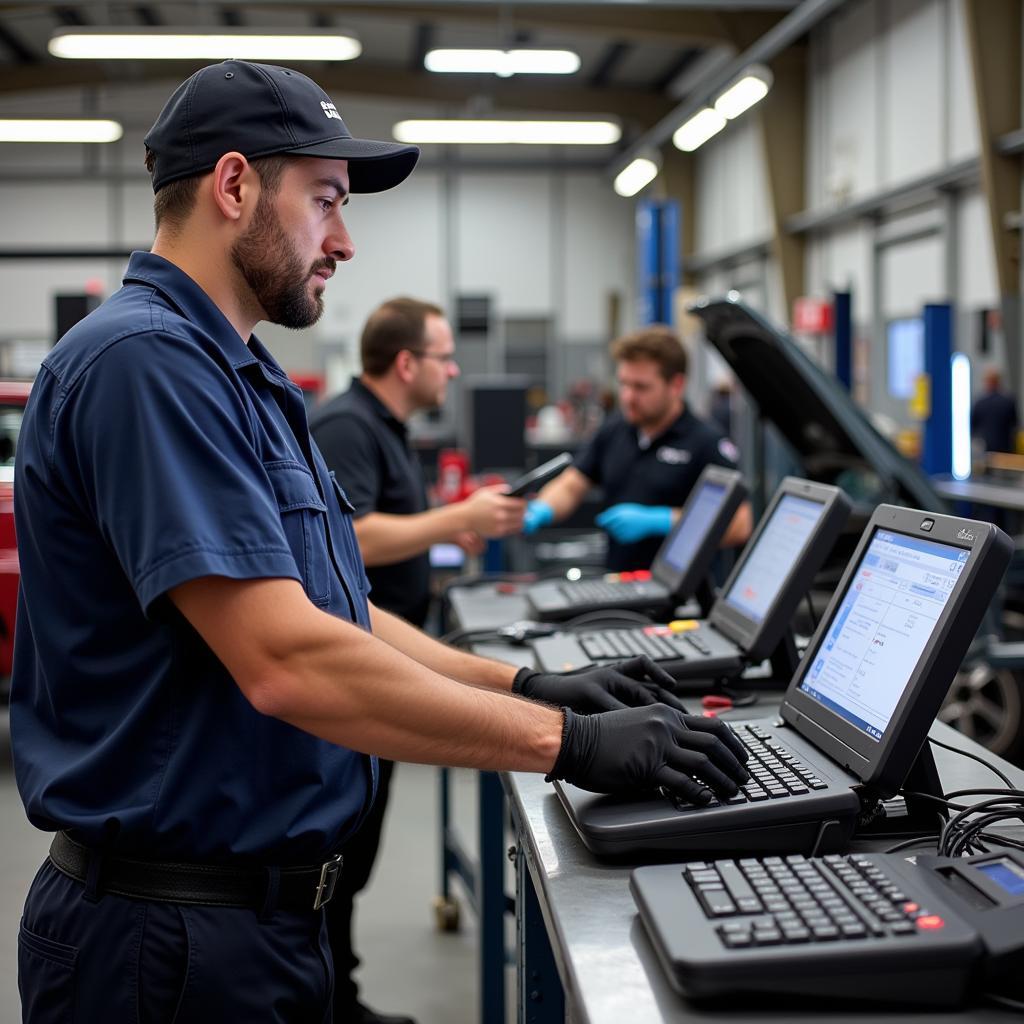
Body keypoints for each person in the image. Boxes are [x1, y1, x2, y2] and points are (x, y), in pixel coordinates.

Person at [12, 60, 748, 1024]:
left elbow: (333, 615)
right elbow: (286, 659)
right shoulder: (145, 366)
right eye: (325, 201)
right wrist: (565, 743)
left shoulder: (243, 380)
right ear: (233, 187)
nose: (345, 241)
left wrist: (519, 685)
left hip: (256, 930)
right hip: (167, 947)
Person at [309, 298, 525, 1024]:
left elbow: (388, 531)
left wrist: (441, 538)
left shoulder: (386, 428)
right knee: (339, 850)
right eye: (443, 356)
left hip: (384, 649)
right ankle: (330, 1002)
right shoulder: (347, 426)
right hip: (354, 664)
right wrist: (457, 519)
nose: (454, 370)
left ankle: (343, 993)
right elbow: (353, 541)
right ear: (407, 364)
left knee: (357, 847)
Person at [523, 325, 752, 571]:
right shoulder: (614, 430)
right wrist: (541, 509)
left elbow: (739, 524)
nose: (628, 397)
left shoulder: (706, 442)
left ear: (676, 385)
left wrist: (664, 521)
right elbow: (571, 485)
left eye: (641, 387)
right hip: (620, 587)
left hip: (682, 597)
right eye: (624, 384)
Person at [971, 365, 1019, 456]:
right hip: (1006, 449)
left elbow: (974, 427)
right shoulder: (1008, 401)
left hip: (986, 450)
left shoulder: (980, 403)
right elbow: (1015, 424)